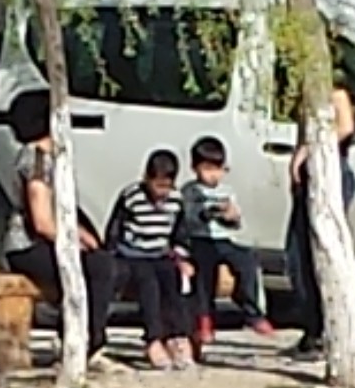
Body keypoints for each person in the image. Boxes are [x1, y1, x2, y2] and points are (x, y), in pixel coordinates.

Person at [0, 91, 91, 357]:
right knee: (87, 269)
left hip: (49, 238)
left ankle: (88, 338)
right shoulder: (36, 159)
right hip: (26, 245)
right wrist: (76, 242)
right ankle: (77, 340)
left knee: (102, 265)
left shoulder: (52, 157)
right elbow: (42, 221)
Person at [97, 150, 198, 370]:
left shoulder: (176, 201)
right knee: (148, 284)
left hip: (160, 253)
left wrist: (182, 257)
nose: (161, 192)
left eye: (166, 186)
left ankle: (177, 336)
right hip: (133, 254)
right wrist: (113, 256)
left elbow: (180, 233)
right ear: (147, 178)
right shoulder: (131, 196)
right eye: (157, 185)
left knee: (174, 283)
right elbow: (115, 229)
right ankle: (153, 338)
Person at [287, 80, 355, 362]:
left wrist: (309, 149)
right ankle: (312, 327)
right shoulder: (306, 90)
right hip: (307, 177)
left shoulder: (335, 92)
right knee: (298, 254)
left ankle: (324, 331)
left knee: (321, 250)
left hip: (329, 172)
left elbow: (346, 126)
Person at [179, 134, 264, 352]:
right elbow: (189, 219)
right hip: (200, 239)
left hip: (223, 238)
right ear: (195, 168)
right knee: (204, 273)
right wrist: (207, 213)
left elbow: (236, 223)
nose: (212, 175)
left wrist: (231, 216)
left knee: (247, 260)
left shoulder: (227, 191)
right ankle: (205, 318)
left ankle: (251, 311)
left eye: (217, 169)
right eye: (207, 169)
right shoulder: (190, 191)